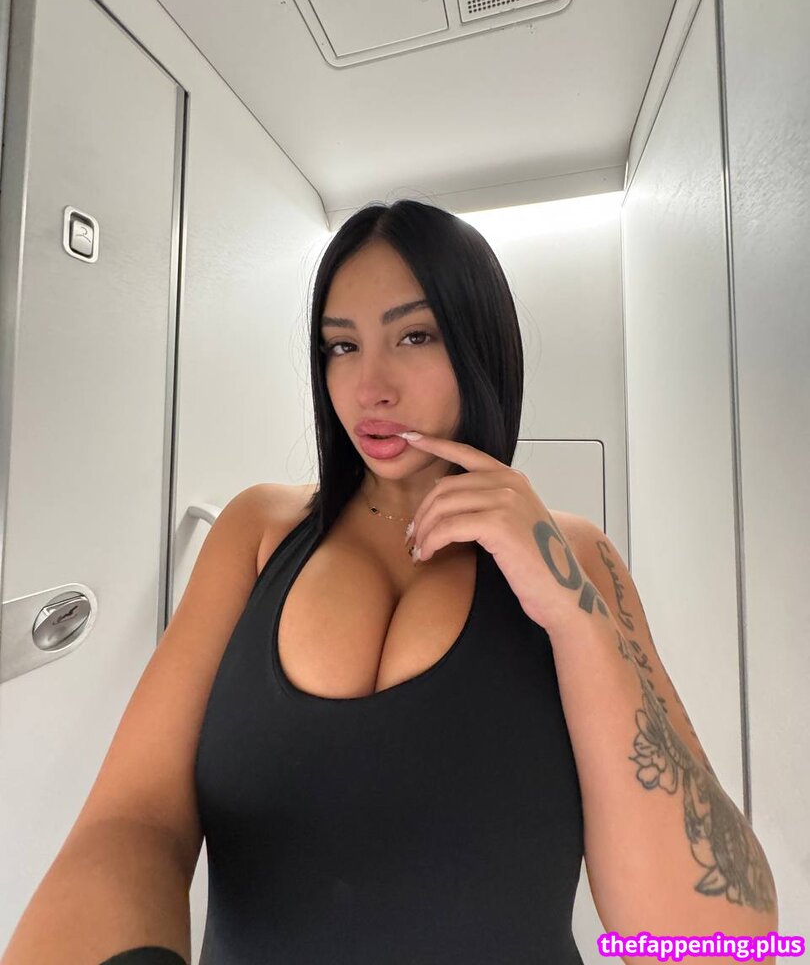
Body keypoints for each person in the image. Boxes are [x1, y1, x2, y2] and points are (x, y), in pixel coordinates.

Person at [7, 199, 777, 965]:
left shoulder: (578, 555)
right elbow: (132, 820)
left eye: (414, 335)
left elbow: (721, 945)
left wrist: (576, 619)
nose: (368, 387)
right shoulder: (257, 530)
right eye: (341, 346)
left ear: (479, 343)